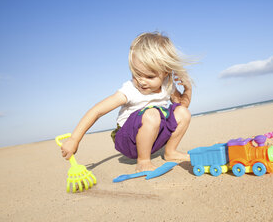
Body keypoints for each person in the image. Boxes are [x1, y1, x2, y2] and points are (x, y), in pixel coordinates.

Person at [60, 32, 192, 172]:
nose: (141, 81)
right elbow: (97, 111)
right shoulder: (130, 90)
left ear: (165, 72)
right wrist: (74, 139)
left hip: (153, 136)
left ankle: (170, 152)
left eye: (149, 76)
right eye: (136, 73)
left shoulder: (167, 84)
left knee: (183, 112)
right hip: (128, 140)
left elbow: (181, 108)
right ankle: (143, 161)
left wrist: (188, 89)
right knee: (152, 113)